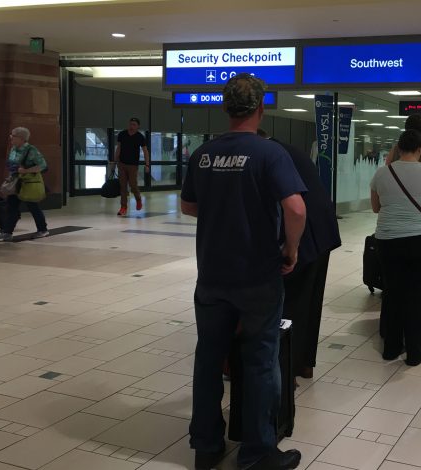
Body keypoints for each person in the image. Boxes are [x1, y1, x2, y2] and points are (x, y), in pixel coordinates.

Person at [180, 74, 307, 470]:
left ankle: (206, 446)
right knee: (258, 362)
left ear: (224, 108)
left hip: (212, 277)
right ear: (261, 108)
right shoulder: (269, 153)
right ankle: (256, 453)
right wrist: (292, 247)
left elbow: (188, 206)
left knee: (208, 358)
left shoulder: (203, 153)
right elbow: (297, 208)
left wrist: (223, 210)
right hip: (257, 277)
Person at [257, 128, 342, 380]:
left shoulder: (269, 156)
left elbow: (292, 209)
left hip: (304, 232)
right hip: (323, 232)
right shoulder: (289, 149)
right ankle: (305, 364)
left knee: (290, 303)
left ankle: (286, 370)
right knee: (310, 301)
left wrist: (289, 248)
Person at [371, 129, 421, 365]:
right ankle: (415, 351)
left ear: (398, 148)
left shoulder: (382, 173)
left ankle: (391, 348)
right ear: (419, 149)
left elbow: (376, 208)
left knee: (393, 293)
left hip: (388, 240)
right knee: (415, 294)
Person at [0, 127, 49, 242]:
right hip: (16, 182)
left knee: (33, 207)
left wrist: (26, 171)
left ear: (22, 138)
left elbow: (43, 166)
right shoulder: (14, 149)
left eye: (13, 136)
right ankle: (7, 232)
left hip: (27, 183)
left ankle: (43, 229)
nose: (11, 138)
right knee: (11, 207)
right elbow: (12, 164)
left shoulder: (31, 150)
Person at [114, 117, 150, 216]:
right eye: (130, 124)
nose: (131, 126)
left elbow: (145, 151)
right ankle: (123, 207)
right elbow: (118, 148)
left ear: (138, 126)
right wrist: (115, 161)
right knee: (123, 187)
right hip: (122, 164)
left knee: (133, 185)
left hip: (133, 165)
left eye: (134, 125)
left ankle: (138, 199)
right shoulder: (122, 134)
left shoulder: (140, 137)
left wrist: (147, 164)